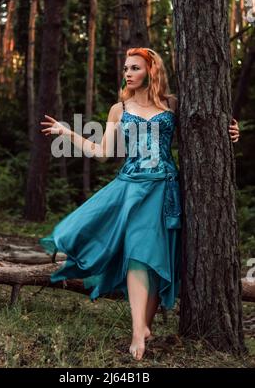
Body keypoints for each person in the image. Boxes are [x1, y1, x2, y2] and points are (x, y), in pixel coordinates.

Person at [39, 47, 240, 361]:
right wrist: (67, 132)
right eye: (126, 68)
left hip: (165, 189)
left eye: (134, 67)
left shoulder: (172, 105)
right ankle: (137, 332)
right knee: (136, 253)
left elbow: (206, 126)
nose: (127, 73)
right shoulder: (119, 108)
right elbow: (103, 152)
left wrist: (231, 131)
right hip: (132, 189)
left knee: (157, 257)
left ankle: (145, 326)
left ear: (151, 70)